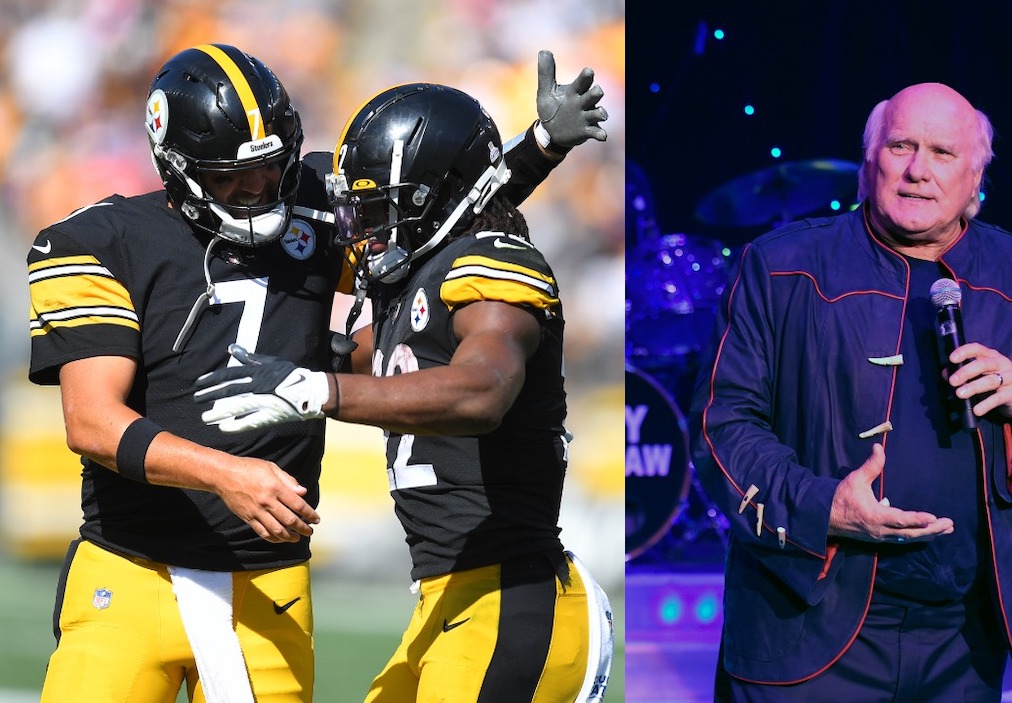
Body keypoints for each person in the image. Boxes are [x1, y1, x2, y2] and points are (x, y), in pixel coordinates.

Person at [26, 44, 606, 701]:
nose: (259, 188)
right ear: (178, 169)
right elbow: (93, 421)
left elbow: (424, 211)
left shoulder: (311, 200)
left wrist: (533, 152)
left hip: (267, 584)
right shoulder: (95, 240)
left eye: (272, 166)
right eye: (229, 177)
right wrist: (227, 474)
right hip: (129, 568)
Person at [191, 83, 612, 702]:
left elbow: (482, 392)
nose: (358, 229)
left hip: (510, 599)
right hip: (447, 604)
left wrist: (318, 389)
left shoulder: (490, 263)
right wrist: (538, 148)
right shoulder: (414, 283)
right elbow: (458, 205)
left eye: (378, 208)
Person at [686, 82, 1012, 702]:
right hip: (807, 622)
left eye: (942, 153)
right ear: (868, 164)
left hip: (965, 637)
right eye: (900, 146)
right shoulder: (780, 267)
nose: (917, 170)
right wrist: (820, 506)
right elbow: (720, 425)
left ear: (975, 179)